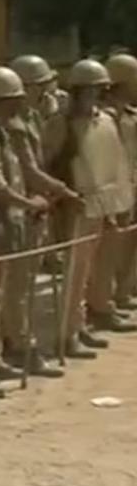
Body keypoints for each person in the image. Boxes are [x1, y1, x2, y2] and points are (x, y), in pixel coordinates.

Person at [0, 67, 59, 397]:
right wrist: (29, 203)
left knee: (6, 291)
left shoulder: (6, 131)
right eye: (11, 101)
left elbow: (25, 171)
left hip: (14, 220)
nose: (15, 106)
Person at [45, 59, 137, 360]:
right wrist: (61, 197)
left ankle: (80, 324)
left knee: (89, 271)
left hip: (102, 205)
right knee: (74, 274)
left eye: (99, 90)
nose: (94, 96)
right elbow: (49, 163)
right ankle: (67, 335)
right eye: (88, 90)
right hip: (76, 206)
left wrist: (115, 204)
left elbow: (114, 166)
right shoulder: (61, 124)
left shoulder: (106, 120)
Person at [0, 55, 78, 376]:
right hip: (18, 208)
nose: (46, 92)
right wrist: (61, 190)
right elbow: (28, 169)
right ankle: (17, 344)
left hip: (35, 207)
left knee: (28, 281)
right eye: (40, 87)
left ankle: (18, 340)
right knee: (16, 285)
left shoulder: (32, 117)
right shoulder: (10, 124)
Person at [104, 53, 137, 310]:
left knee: (128, 248)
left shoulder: (130, 114)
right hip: (111, 192)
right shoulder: (104, 117)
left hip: (130, 187)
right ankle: (104, 302)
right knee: (108, 252)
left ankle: (123, 294)